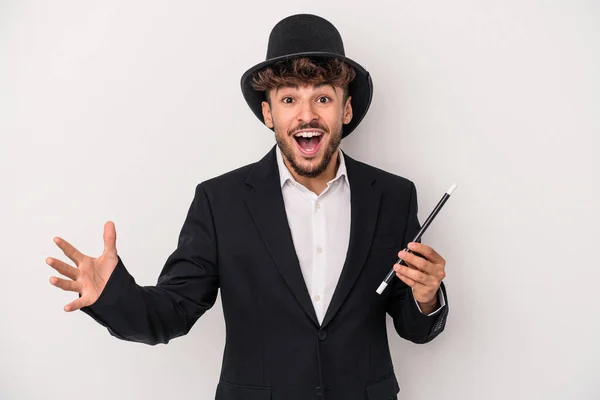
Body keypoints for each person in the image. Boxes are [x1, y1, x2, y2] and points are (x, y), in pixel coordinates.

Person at [46, 13, 449, 400]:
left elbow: (412, 325)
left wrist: (426, 296)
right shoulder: (220, 202)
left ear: (345, 110)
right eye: (289, 98)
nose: (307, 115)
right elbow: (173, 310)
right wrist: (110, 296)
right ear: (268, 113)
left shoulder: (394, 196)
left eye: (323, 98)